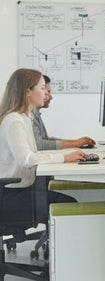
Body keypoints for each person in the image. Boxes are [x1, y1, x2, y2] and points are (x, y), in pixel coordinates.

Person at [0, 69, 90, 224]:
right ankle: (59, 247)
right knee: (68, 204)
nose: (46, 94)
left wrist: (65, 156)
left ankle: (55, 245)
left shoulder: (24, 118)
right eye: (42, 88)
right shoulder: (14, 121)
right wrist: (64, 157)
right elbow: (26, 159)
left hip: (20, 189)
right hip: (11, 195)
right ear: (28, 91)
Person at [31, 75, 95, 151]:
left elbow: (45, 139)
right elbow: (39, 145)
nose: (50, 97)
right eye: (46, 92)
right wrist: (75, 144)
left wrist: (76, 142)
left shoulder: (35, 114)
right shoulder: (28, 116)